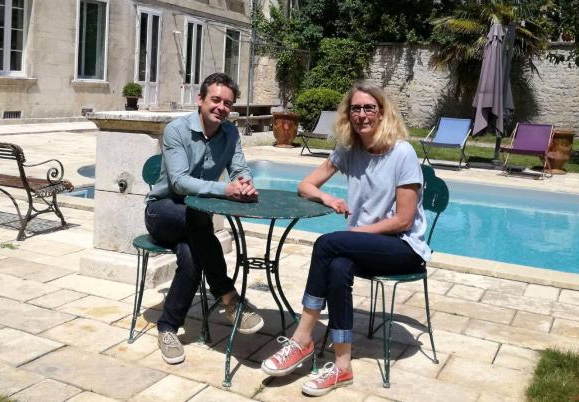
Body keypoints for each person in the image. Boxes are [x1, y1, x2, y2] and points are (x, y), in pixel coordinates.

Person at [260, 83, 431, 396]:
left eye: (369, 108)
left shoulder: (401, 152)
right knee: (337, 266)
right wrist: (329, 199)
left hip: (404, 247)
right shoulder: (349, 149)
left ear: (382, 112)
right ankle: (342, 367)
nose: (362, 114)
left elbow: (403, 220)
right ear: (348, 114)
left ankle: (302, 339)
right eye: (356, 108)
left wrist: (355, 233)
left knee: (328, 244)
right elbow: (305, 185)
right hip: (366, 243)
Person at [145, 73, 263, 365]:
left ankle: (167, 328)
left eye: (227, 103)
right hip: (163, 211)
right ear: (200, 100)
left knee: (192, 257)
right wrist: (226, 189)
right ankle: (228, 295)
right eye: (215, 100)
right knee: (197, 219)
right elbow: (180, 183)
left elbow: (239, 168)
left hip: (195, 219)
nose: (221, 107)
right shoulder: (176, 130)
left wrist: (245, 182)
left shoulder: (230, 133)